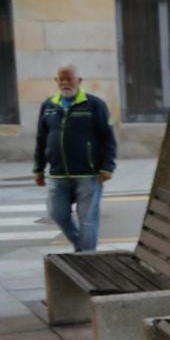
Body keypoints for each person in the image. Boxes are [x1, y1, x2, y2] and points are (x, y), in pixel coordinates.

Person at [32, 64, 116, 252]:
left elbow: (108, 138)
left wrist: (107, 167)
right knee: (57, 213)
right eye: (61, 79)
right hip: (57, 174)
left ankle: (85, 259)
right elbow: (41, 138)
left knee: (87, 220)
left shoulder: (94, 104)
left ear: (79, 80)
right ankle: (82, 246)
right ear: (56, 81)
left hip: (88, 174)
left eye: (69, 78)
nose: (65, 83)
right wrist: (38, 169)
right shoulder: (49, 106)